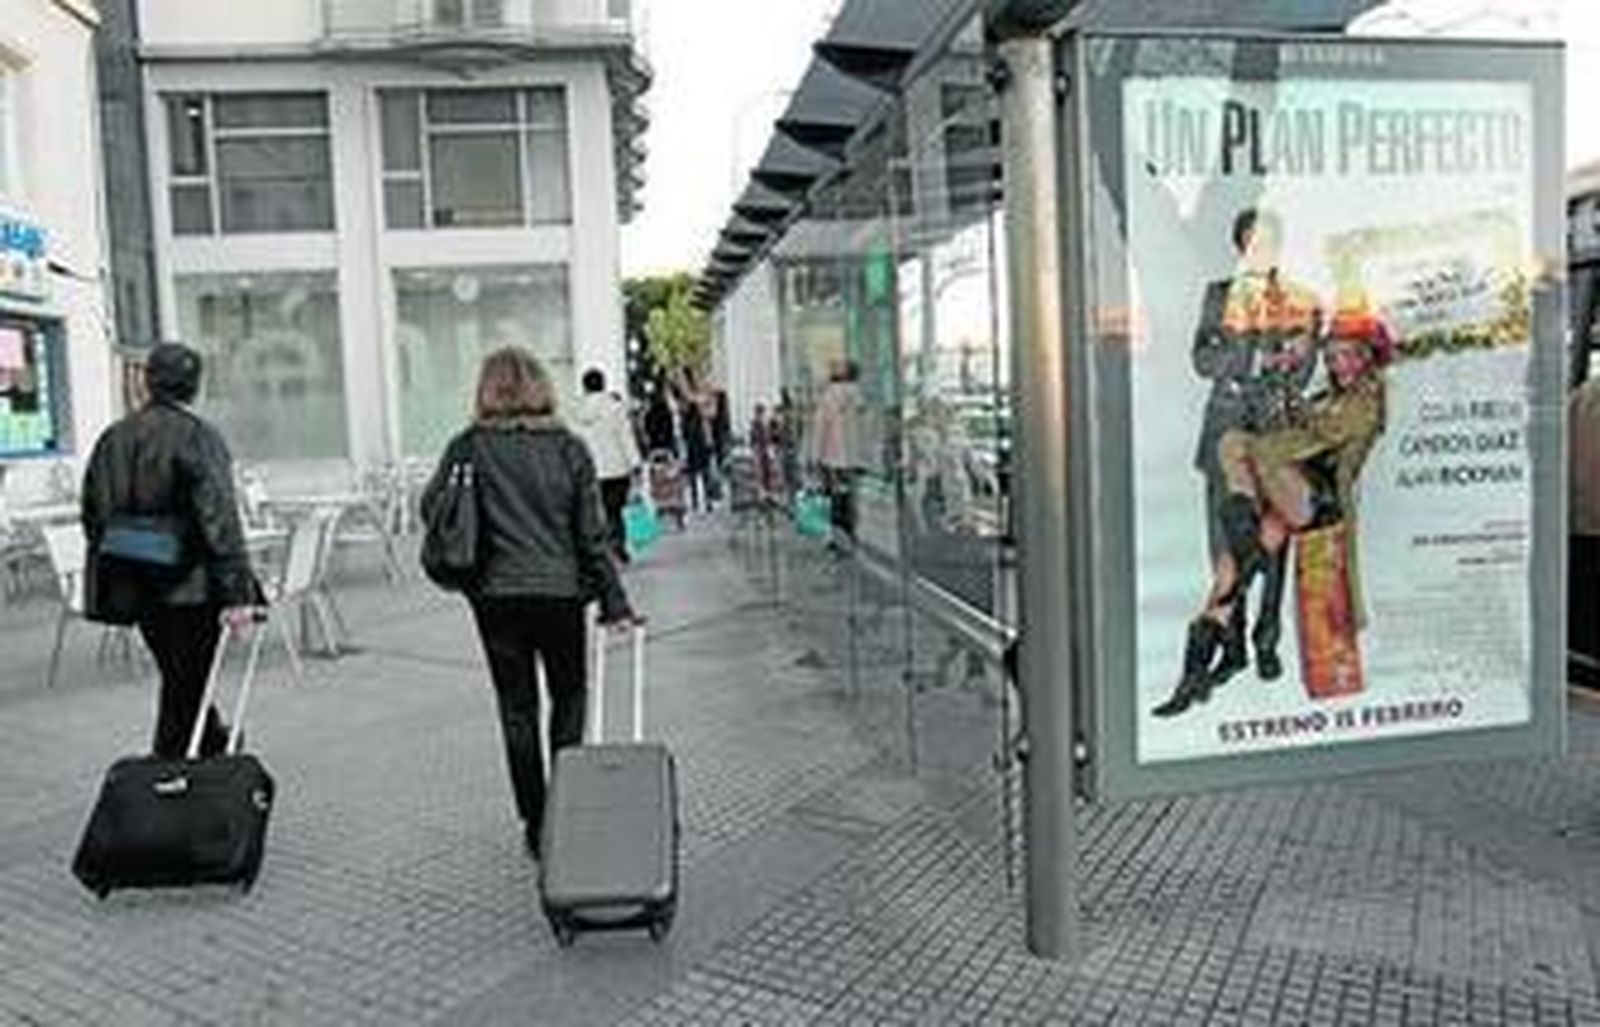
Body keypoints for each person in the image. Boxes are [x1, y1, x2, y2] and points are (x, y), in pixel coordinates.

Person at [422, 348, 636, 859]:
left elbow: (433, 506)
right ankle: (566, 810)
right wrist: (615, 602)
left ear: (486, 389)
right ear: (542, 386)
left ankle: (535, 823)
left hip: (494, 598)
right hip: (561, 595)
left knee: (516, 709)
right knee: (569, 698)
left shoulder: (467, 447)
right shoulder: (569, 448)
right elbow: (592, 536)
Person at [1154, 209, 1322, 716]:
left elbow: (1305, 367)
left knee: (1272, 546)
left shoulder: (1301, 299)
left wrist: (1264, 361)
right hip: (1224, 433)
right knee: (1227, 542)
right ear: (1239, 246)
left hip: (1274, 436)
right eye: (1250, 242)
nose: (1258, 251)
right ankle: (1233, 650)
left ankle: (1266, 639)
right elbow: (1200, 360)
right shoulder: (1217, 295)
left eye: (1267, 241)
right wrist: (1254, 360)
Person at [81, 343, 261, 758]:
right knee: (185, 683)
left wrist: (134, 553)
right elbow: (220, 521)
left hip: (137, 586)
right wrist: (238, 595)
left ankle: (213, 741)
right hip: (192, 588)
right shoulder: (199, 437)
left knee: (182, 676)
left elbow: (93, 516)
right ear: (194, 386)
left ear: (147, 381)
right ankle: (167, 772)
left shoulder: (114, 438)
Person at [571, 368, 641, 562]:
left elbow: (575, 443)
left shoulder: (577, 412)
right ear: (603, 384)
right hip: (617, 468)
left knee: (596, 512)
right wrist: (635, 463)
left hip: (591, 470)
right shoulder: (615, 408)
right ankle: (618, 545)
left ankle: (603, 549)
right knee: (615, 511)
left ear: (585, 386)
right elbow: (625, 437)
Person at [808, 359, 867, 544]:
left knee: (834, 495)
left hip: (832, 457)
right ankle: (852, 529)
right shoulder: (859, 396)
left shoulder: (828, 396)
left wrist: (815, 456)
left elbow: (820, 430)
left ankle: (837, 534)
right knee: (851, 494)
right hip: (855, 456)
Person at [679, 385, 714, 513]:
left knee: (694, 478)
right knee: (706, 476)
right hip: (703, 451)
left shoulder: (687, 422)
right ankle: (708, 501)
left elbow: (684, 436)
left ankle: (695, 502)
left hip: (692, 452)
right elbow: (707, 437)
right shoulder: (702, 422)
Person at [643, 388, 677, 457]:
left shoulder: (662, 411)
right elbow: (648, 428)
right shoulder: (650, 414)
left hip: (663, 440)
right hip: (659, 441)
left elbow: (669, 424)